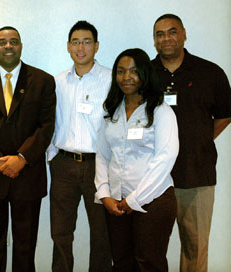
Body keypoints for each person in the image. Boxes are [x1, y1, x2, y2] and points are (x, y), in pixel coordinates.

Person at [0, 26, 56, 271]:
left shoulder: (43, 81)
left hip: (28, 174)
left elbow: (46, 126)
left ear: (21, 46)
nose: (8, 46)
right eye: (2, 42)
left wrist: (22, 158)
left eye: (13, 41)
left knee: (26, 246)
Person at [151, 14, 231, 272]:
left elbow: (225, 114)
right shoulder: (145, 75)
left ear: (184, 34)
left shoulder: (210, 72)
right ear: (154, 40)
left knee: (195, 250)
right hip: (152, 178)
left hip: (197, 174)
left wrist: (199, 139)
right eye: (160, 34)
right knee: (150, 248)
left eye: (172, 32)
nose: (166, 38)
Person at [95, 48, 179, 271]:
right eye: (121, 71)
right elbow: (103, 156)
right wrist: (104, 194)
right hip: (116, 203)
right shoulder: (111, 111)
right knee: (122, 262)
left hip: (153, 201)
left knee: (148, 263)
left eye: (133, 71)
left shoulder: (161, 111)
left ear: (144, 73)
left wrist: (134, 199)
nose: (126, 77)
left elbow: (165, 158)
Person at [46, 20, 112, 272]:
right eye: (75, 42)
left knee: (102, 232)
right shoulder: (58, 82)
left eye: (86, 42)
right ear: (68, 46)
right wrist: (53, 156)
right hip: (63, 165)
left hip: (99, 165)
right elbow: (50, 120)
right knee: (60, 232)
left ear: (96, 46)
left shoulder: (110, 79)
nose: (80, 47)